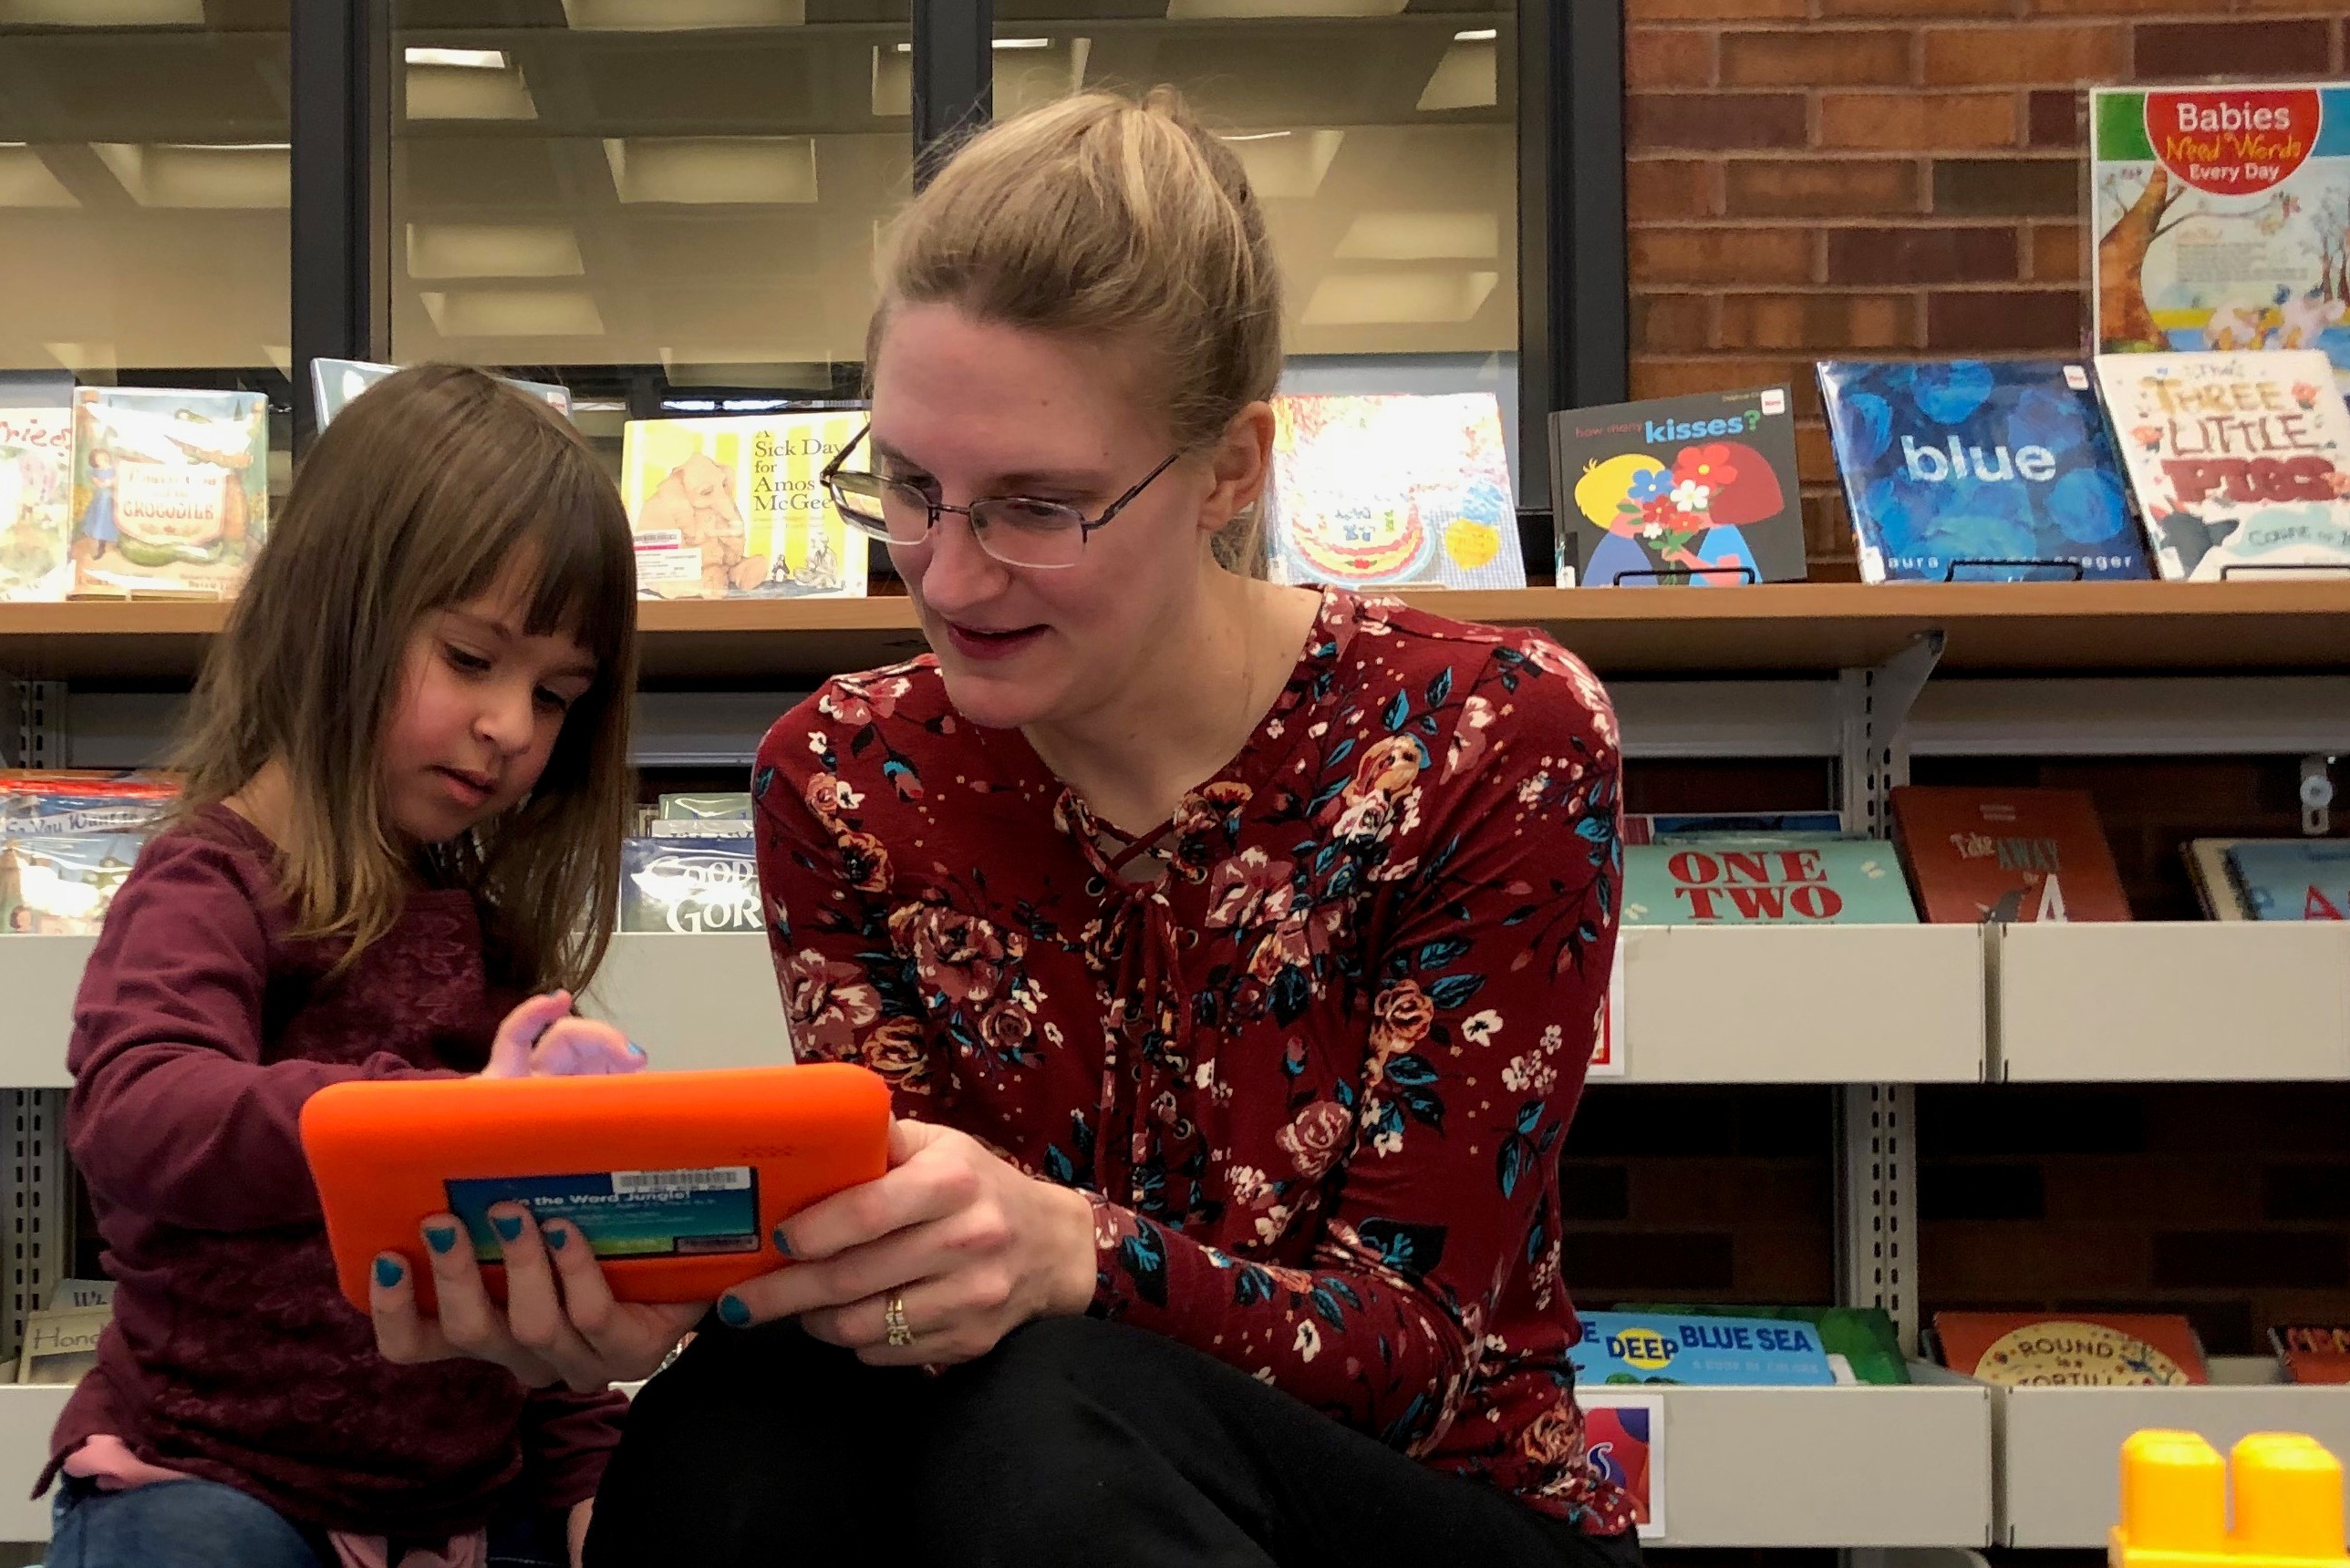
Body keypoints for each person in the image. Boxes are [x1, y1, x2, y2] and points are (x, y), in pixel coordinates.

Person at [390, 88, 1632, 1567]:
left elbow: (1418, 1349)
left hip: (1432, 1507)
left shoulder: (1492, 736)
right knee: (735, 1420)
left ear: (1231, 470)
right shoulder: (844, 774)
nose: (950, 573)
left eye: (1037, 507)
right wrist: (674, 1297)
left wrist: (1072, 1253)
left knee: (1054, 1419)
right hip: (1014, 1480)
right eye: (912, 487)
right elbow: (909, 1280)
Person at [40, 364, 657, 1568]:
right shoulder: (209, 880)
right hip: (207, 1479)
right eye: (472, 660)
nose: (513, 727)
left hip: (460, 1505)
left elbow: (536, 1252)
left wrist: (592, 1477)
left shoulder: (491, 941)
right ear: (337, 611)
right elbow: (139, 1110)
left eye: (555, 695)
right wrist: (429, 1123)